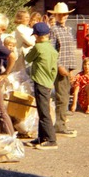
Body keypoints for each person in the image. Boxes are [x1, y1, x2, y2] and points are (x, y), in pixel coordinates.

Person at [24, 22, 59, 150]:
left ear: (38, 36)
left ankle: (51, 139)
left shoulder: (38, 48)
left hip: (40, 82)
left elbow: (28, 58)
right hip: (49, 82)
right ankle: (41, 137)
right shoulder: (52, 49)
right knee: (42, 110)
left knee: (44, 112)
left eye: (35, 36)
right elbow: (54, 69)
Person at [49, 2, 78, 137]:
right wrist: (59, 65)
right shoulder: (53, 30)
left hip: (68, 67)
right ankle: (60, 125)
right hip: (60, 67)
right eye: (60, 15)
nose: (62, 17)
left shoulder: (68, 30)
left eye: (64, 14)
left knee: (65, 96)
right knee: (62, 97)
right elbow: (52, 50)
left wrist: (71, 70)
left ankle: (61, 123)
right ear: (55, 15)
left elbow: (70, 51)